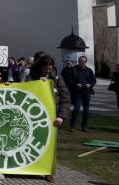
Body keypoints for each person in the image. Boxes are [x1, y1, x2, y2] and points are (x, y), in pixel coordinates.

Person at [28, 54, 70, 183]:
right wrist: (37, 84)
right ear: (41, 67)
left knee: (50, 146)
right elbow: (23, 90)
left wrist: (61, 116)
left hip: (52, 119)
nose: (48, 71)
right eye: (46, 69)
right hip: (35, 117)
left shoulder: (57, 77)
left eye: (50, 69)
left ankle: (49, 172)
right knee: (34, 143)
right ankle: (34, 167)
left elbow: (65, 97)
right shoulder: (32, 76)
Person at [69, 56, 96, 132]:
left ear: (86, 62)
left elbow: (94, 80)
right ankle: (72, 126)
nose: (83, 62)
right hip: (78, 93)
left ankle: (84, 126)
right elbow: (70, 80)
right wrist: (76, 84)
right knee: (76, 109)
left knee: (86, 110)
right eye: (81, 61)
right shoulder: (74, 69)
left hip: (87, 92)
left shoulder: (89, 70)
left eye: (84, 61)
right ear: (78, 61)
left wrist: (90, 85)